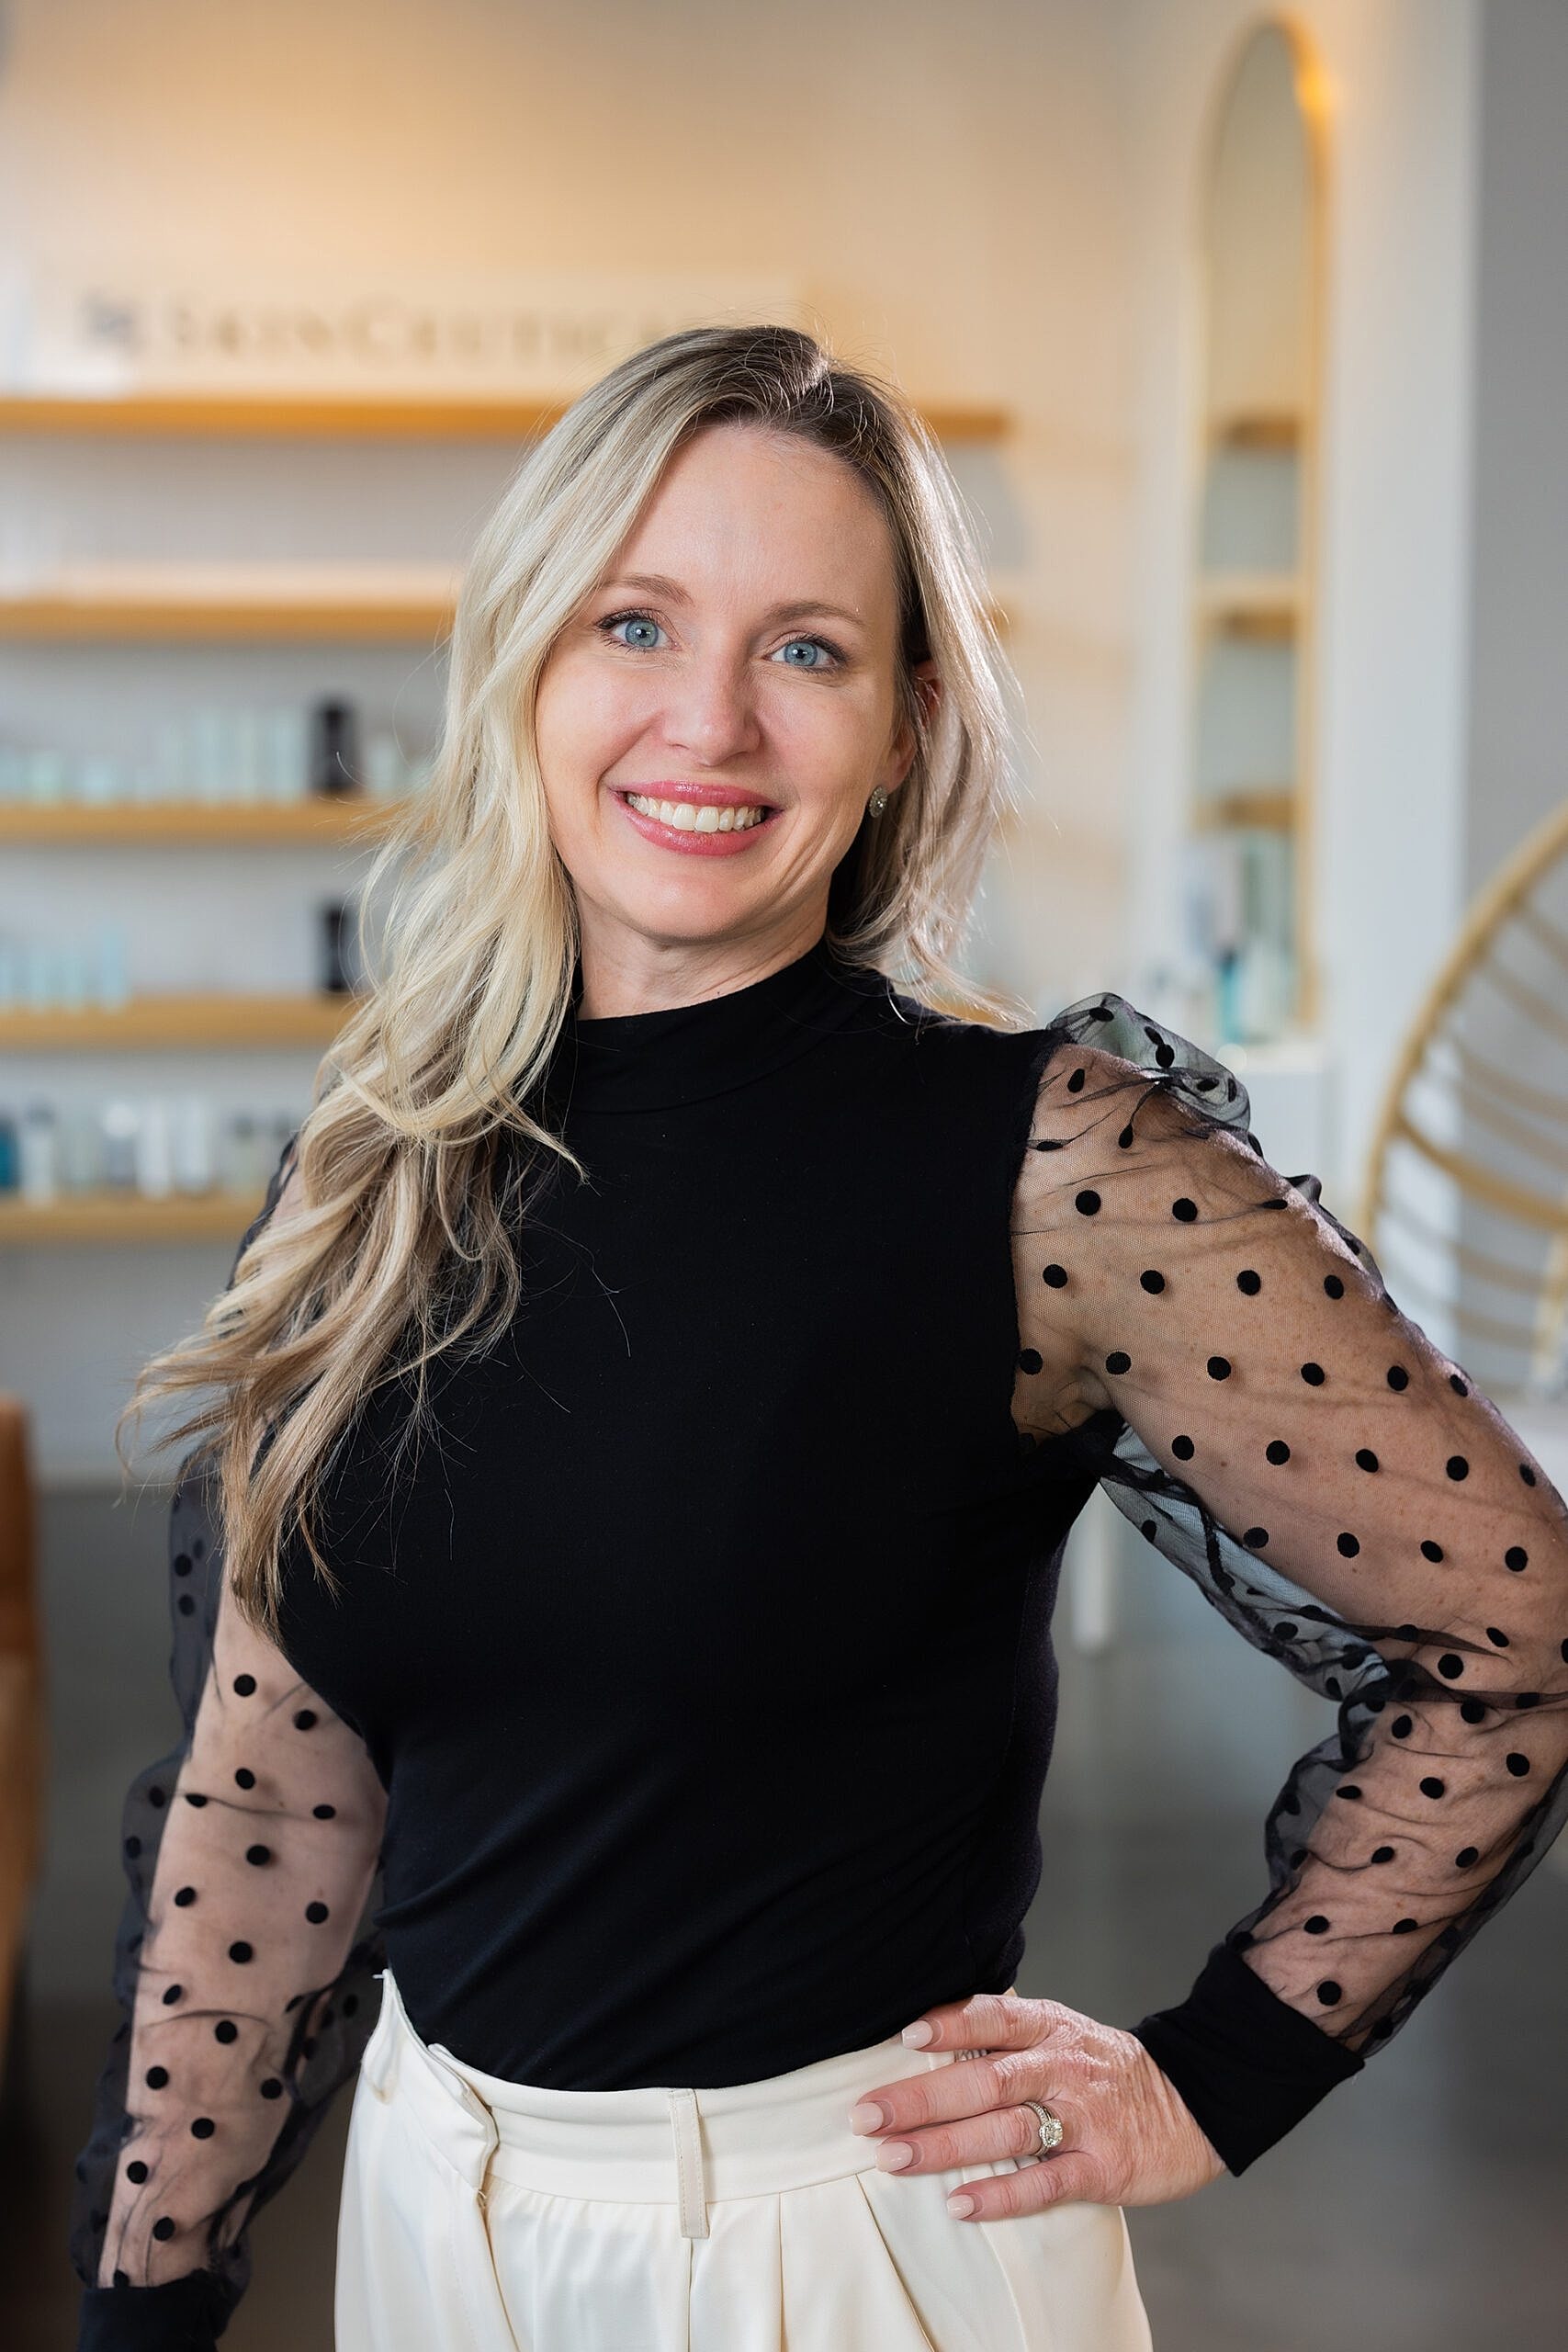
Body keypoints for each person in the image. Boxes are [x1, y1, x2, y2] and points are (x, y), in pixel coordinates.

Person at [69, 323, 1568, 2352]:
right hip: (434, 2215)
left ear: (898, 728)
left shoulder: (1051, 1168)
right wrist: (147, 2298)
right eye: (633, 621)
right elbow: (272, 1785)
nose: (707, 720)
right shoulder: (377, 1165)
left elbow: (1510, 1631)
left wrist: (1214, 2073)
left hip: (846, 2249)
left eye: (804, 651)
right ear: (525, 658)